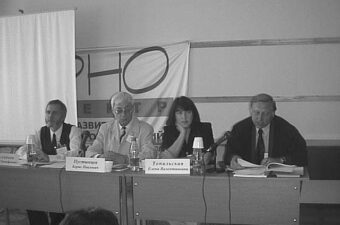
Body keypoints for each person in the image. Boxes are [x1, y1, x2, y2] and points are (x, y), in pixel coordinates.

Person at [16, 99, 82, 225]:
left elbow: (75, 153)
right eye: (48, 112)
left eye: (55, 113)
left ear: (63, 116)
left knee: (56, 207)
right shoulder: (40, 131)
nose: (50, 116)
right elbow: (21, 150)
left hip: (66, 181)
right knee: (32, 202)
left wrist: (49, 157)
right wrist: (29, 155)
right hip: (43, 179)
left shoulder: (73, 131)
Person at [225, 93, 307, 170]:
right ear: (250, 110)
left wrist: (281, 160)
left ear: (273, 113)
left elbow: (302, 156)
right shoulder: (240, 128)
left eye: (265, 114)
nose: (260, 118)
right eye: (256, 113)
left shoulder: (286, 130)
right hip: (246, 176)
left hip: (275, 178)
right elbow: (229, 153)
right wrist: (233, 158)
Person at [86, 92, 156, 163]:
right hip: (108, 172)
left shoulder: (145, 129)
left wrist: (125, 159)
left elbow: (149, 154)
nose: (123, 114)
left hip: (132, 172)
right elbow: (90, 152)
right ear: (112, 111)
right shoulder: (105, 128)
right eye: (118, 111)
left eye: (127, 110)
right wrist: (100, 157)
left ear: (133, 109)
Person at [159, 96, 214, 164]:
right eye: (179, 113)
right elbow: (165, 160)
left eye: (188, 112)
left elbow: (205, 159)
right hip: (176, 174)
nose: (184, 117)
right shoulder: (169, 131)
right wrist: (182, 134)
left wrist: (175, 161)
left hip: (200, 173)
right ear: (174, 115)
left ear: (193, 114)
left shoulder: (204, 129)